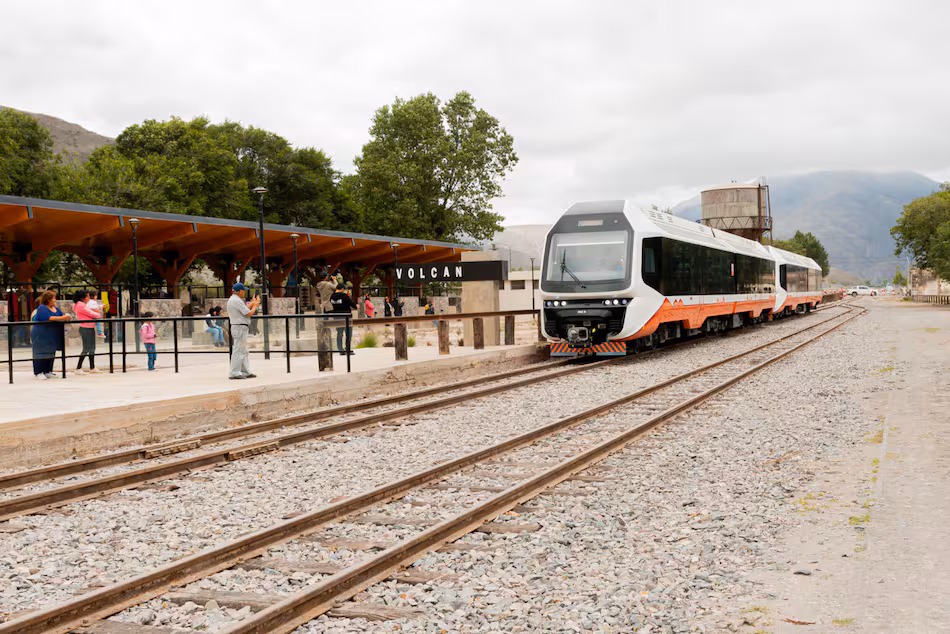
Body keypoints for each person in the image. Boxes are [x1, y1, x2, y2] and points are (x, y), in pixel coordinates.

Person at [31, 290, 70, 380]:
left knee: (51, 352)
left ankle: (48, 370)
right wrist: (62, 317)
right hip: (41, 334)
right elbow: (48, 318)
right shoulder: (42, 308)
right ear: (48, 299)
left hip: (53, 334)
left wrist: (66, 317)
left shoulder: (56, 309)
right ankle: (39, 372)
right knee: (40, 352)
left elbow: (61, 315)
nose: (55, 300)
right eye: (53, 298)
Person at [226, 282, 261, 379]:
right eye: (243, 290)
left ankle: (245, 371)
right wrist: (255, 305)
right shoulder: (236, 300)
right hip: (239, 327)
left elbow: (245, 309)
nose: (244, 292)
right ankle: (235, 372)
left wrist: (252, 304)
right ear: (240, 291)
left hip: (240, 327)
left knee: (243, 350)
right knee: (238, 350)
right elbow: (248, 313)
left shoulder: (235, 300)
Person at [73, 290, 102, 374]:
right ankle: (78, 368)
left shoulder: (82, 305)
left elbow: (92, 312)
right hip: (85, 327)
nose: (89, 298)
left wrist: (95, 312)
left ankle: (92, 367)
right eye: (88, 296)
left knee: (92, 347)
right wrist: (97, 314)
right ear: (83, 298)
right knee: (86, 348)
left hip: (89, 327)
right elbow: (93, 314)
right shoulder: (80, 305)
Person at [329, 283, 358, 355]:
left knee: (339, 333)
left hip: (336, 317)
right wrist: (355, 306)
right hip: (346, 317)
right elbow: (353, 305)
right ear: (342, 289)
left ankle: (340, 350)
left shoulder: (332, 296)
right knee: (348, 334)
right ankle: (347, 349)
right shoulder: (344, 296)